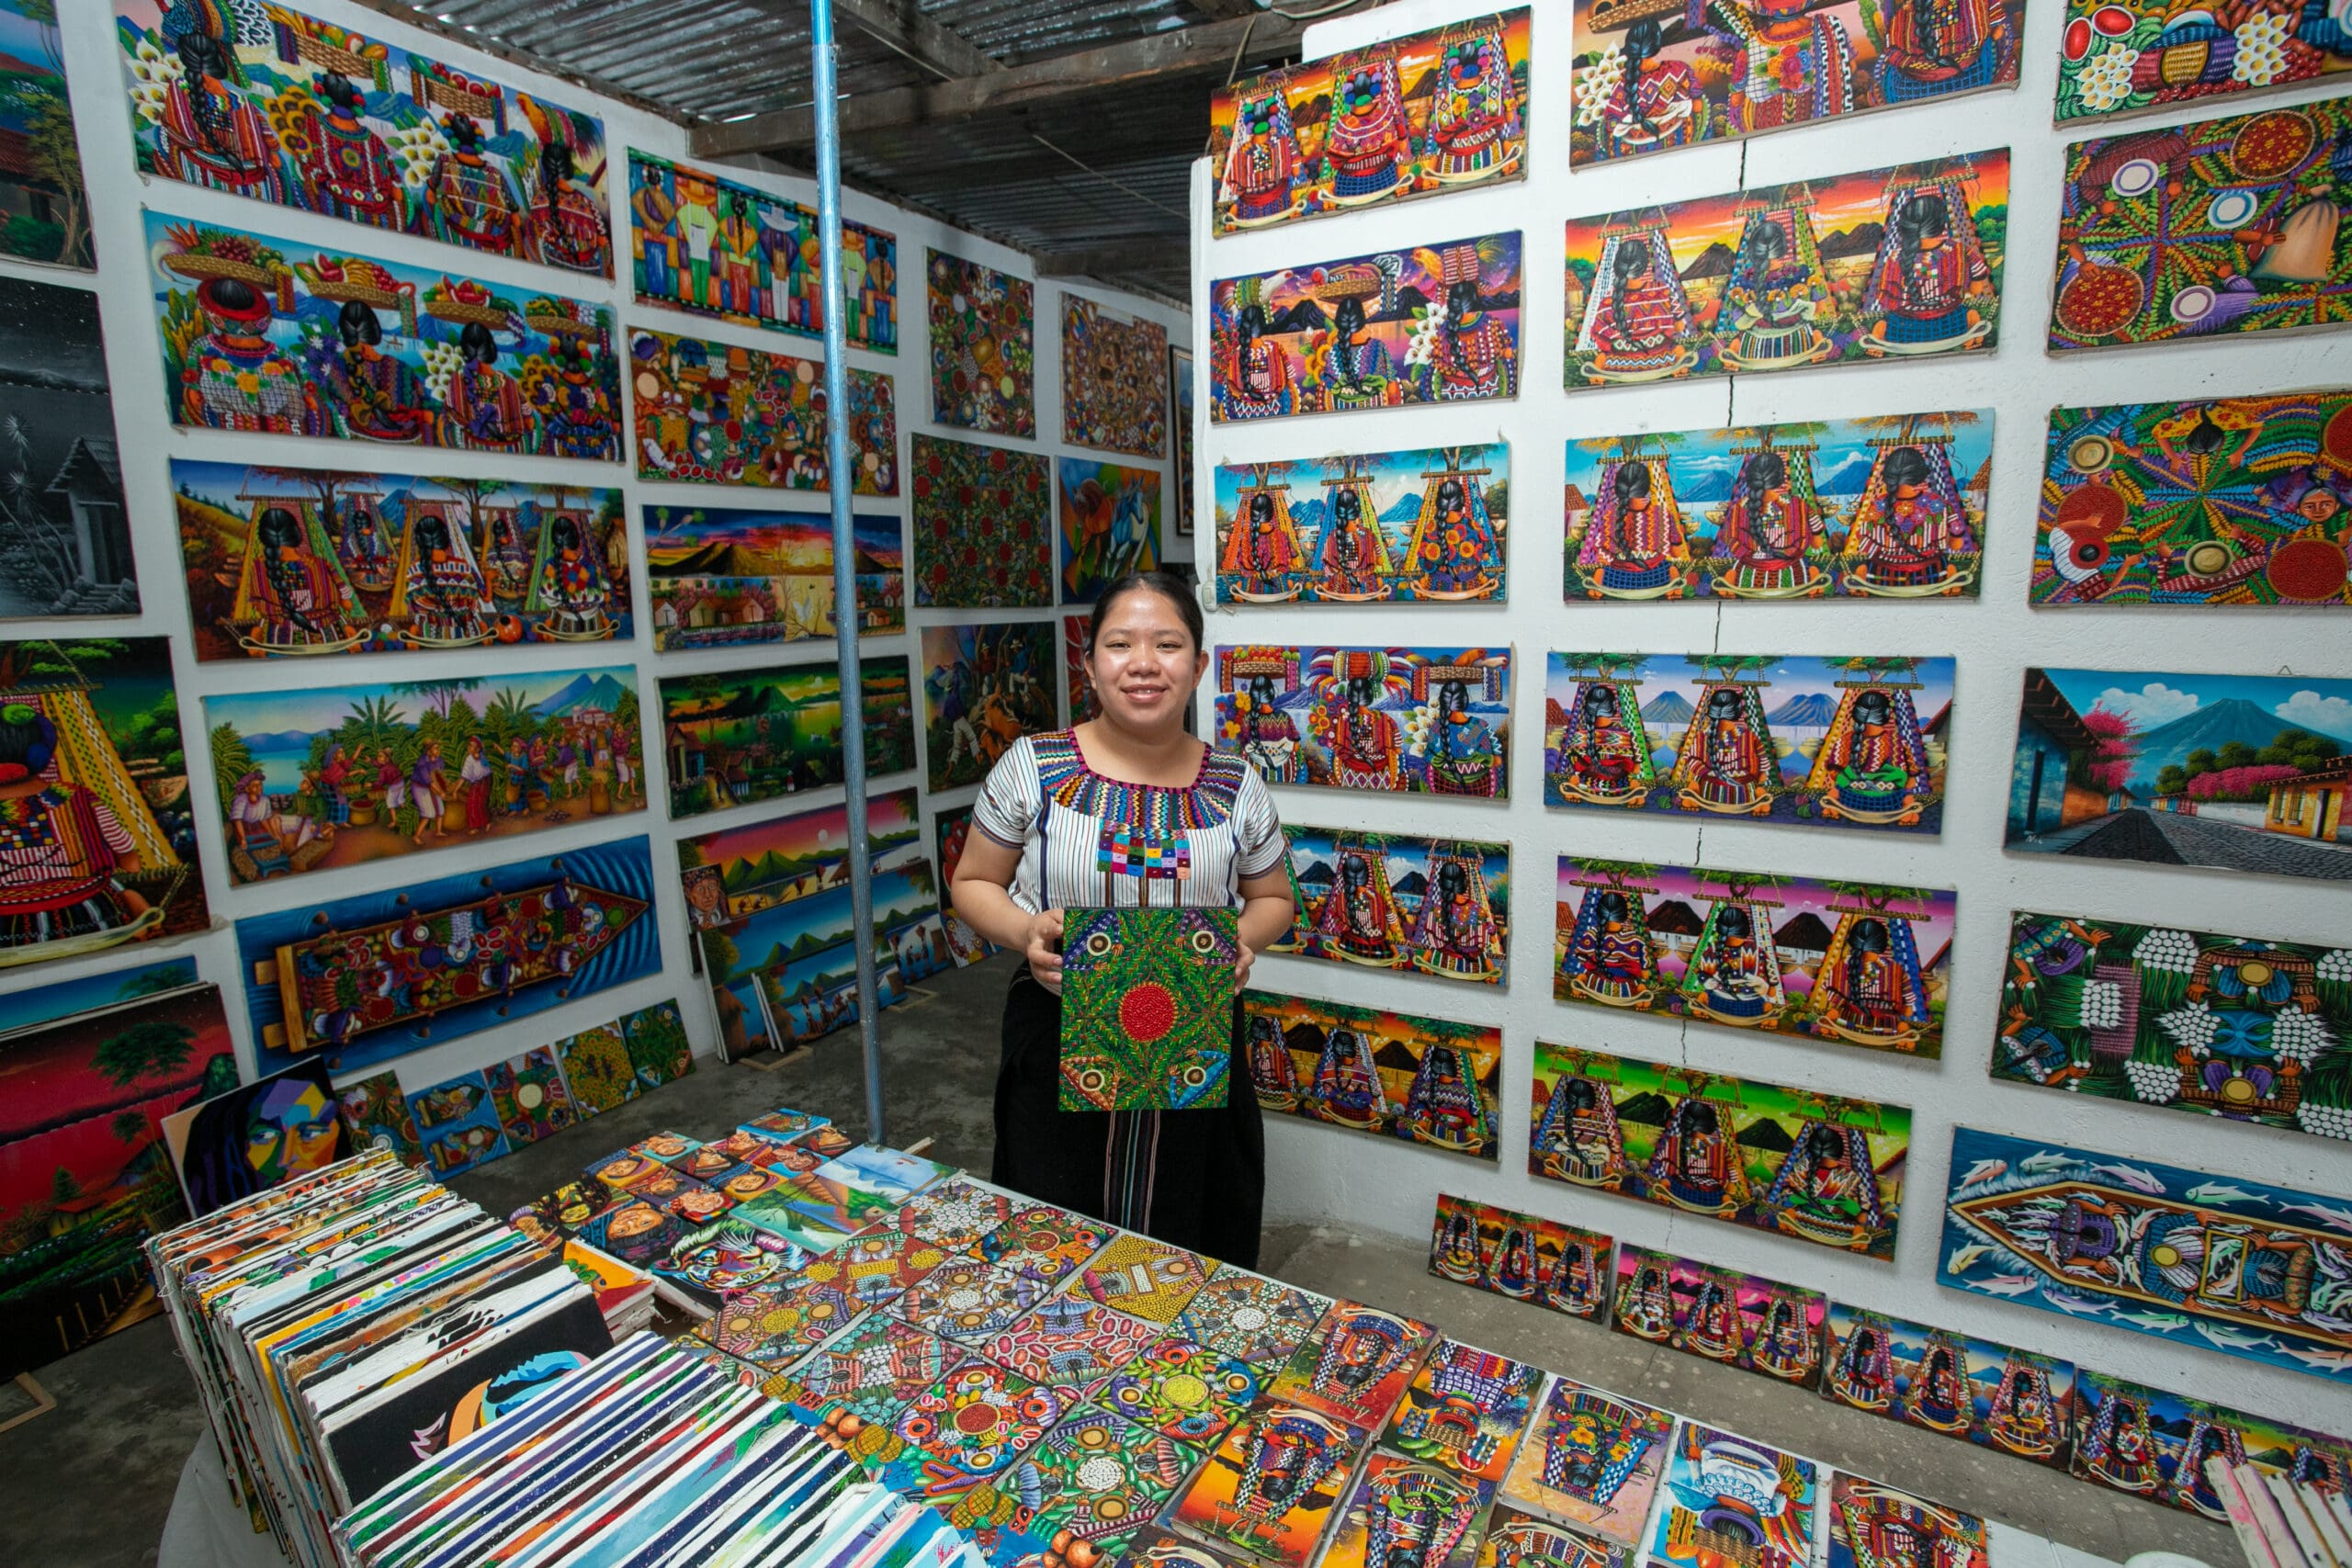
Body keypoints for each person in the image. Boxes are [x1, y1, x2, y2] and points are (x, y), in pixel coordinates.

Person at [952, 571, 1294, 1264]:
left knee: (1188, 1222)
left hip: (1194, 1034)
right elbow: (972, 880)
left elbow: (1274, 898)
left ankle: (1180, 1361)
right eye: (1119, 643)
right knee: (1053, 1227)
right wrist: (1025, 932)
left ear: (1198, 665)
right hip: (1058, 1028)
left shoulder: (1235, 783)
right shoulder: (1034, 767)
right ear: (1090, 664)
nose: (1143, 663)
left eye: (1167, 644)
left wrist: (1236, 941)